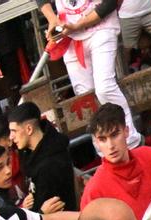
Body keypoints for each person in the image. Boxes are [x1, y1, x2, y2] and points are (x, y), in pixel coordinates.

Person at [42, 0, 140, 141]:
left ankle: (130, 140)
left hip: (101, 27)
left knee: (105, 87)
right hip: (70, 37)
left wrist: (78, 25)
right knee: (85, 98)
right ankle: (103, 151)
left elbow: (110, 3)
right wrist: (52, 19)